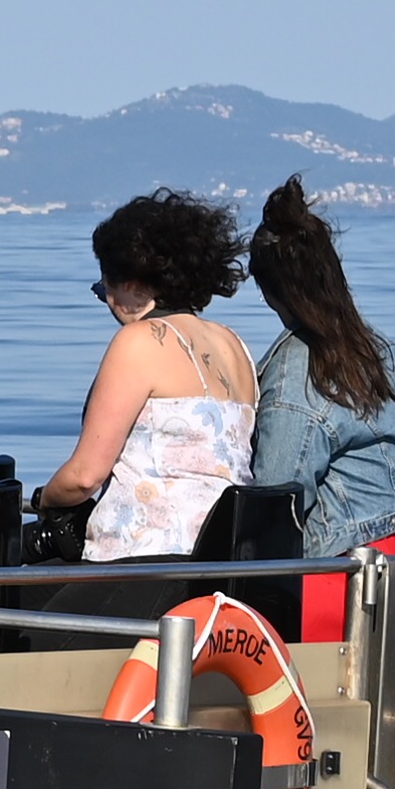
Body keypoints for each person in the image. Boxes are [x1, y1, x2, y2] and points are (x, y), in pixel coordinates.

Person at [239, 176, 395, 634]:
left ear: (269, 290)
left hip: (332, 579)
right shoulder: (385, 353)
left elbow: (278, 497)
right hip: (394, 568)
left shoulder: (294, 375)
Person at [47, 188, 260, 563]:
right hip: (224, 561)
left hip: (146, 563)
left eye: (104, 288)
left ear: (130, 284)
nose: (107, 301)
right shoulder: (234, 345)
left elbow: (84, 476)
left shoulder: (139, 341)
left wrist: (45, 500)